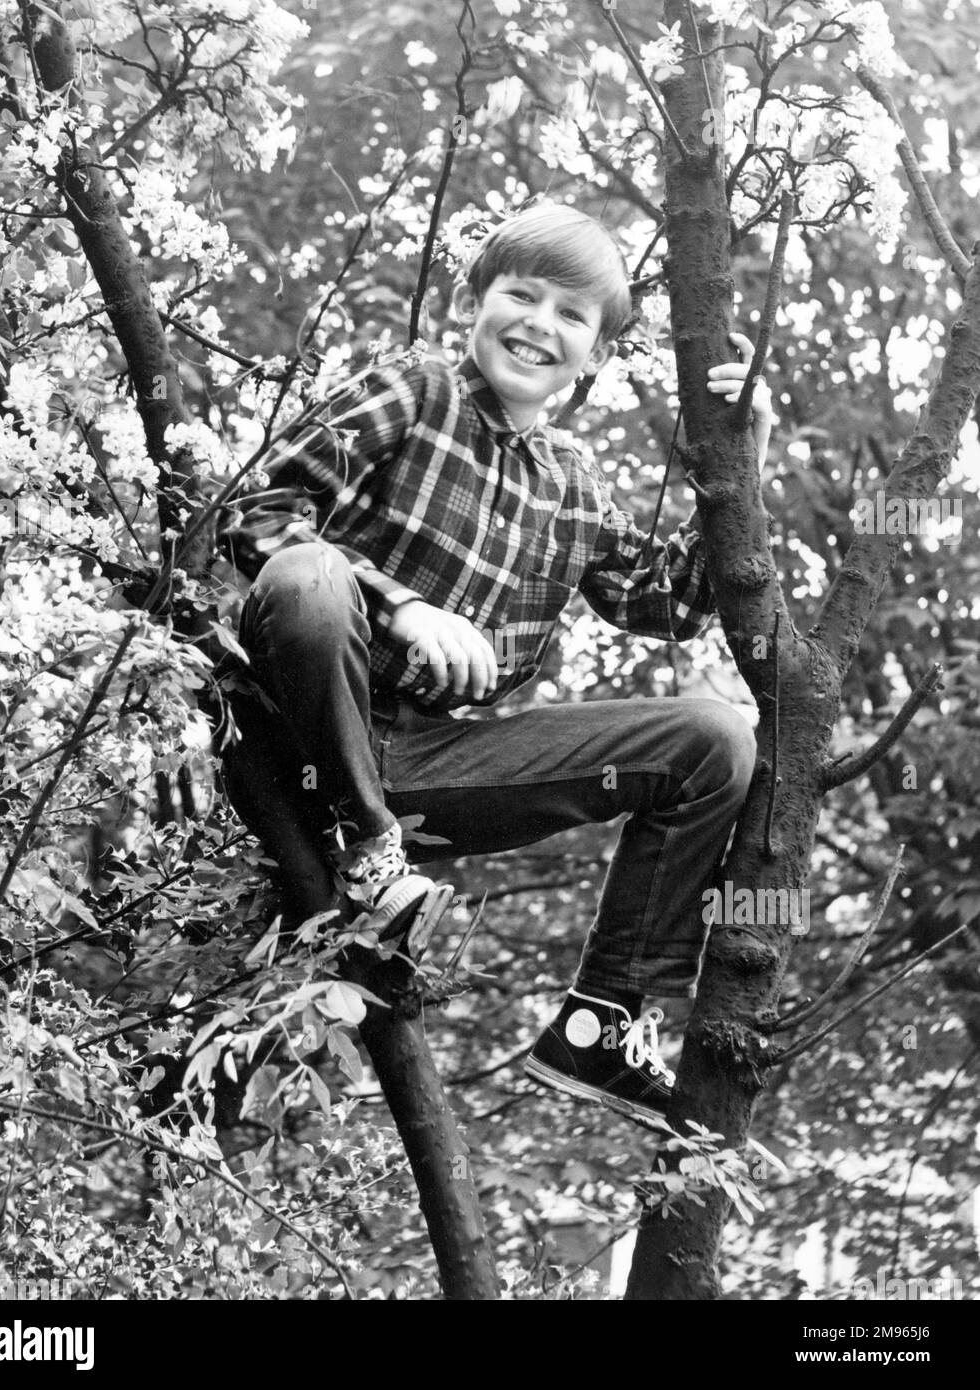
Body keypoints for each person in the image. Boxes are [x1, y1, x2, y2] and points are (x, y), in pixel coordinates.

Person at [219, 203, 774, 1132]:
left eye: (570, 315)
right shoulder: (413, 388)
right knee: (310, 572)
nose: (538, 325)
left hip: (427, 769)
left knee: (714, 737)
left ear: (594, 354)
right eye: (520, 295)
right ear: (474, 302)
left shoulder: (573, 482)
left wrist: (742, 457)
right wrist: (400, 605)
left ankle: (602, 1020)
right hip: (305, 732)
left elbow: (672, 604)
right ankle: (367, 861)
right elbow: (258, 514)